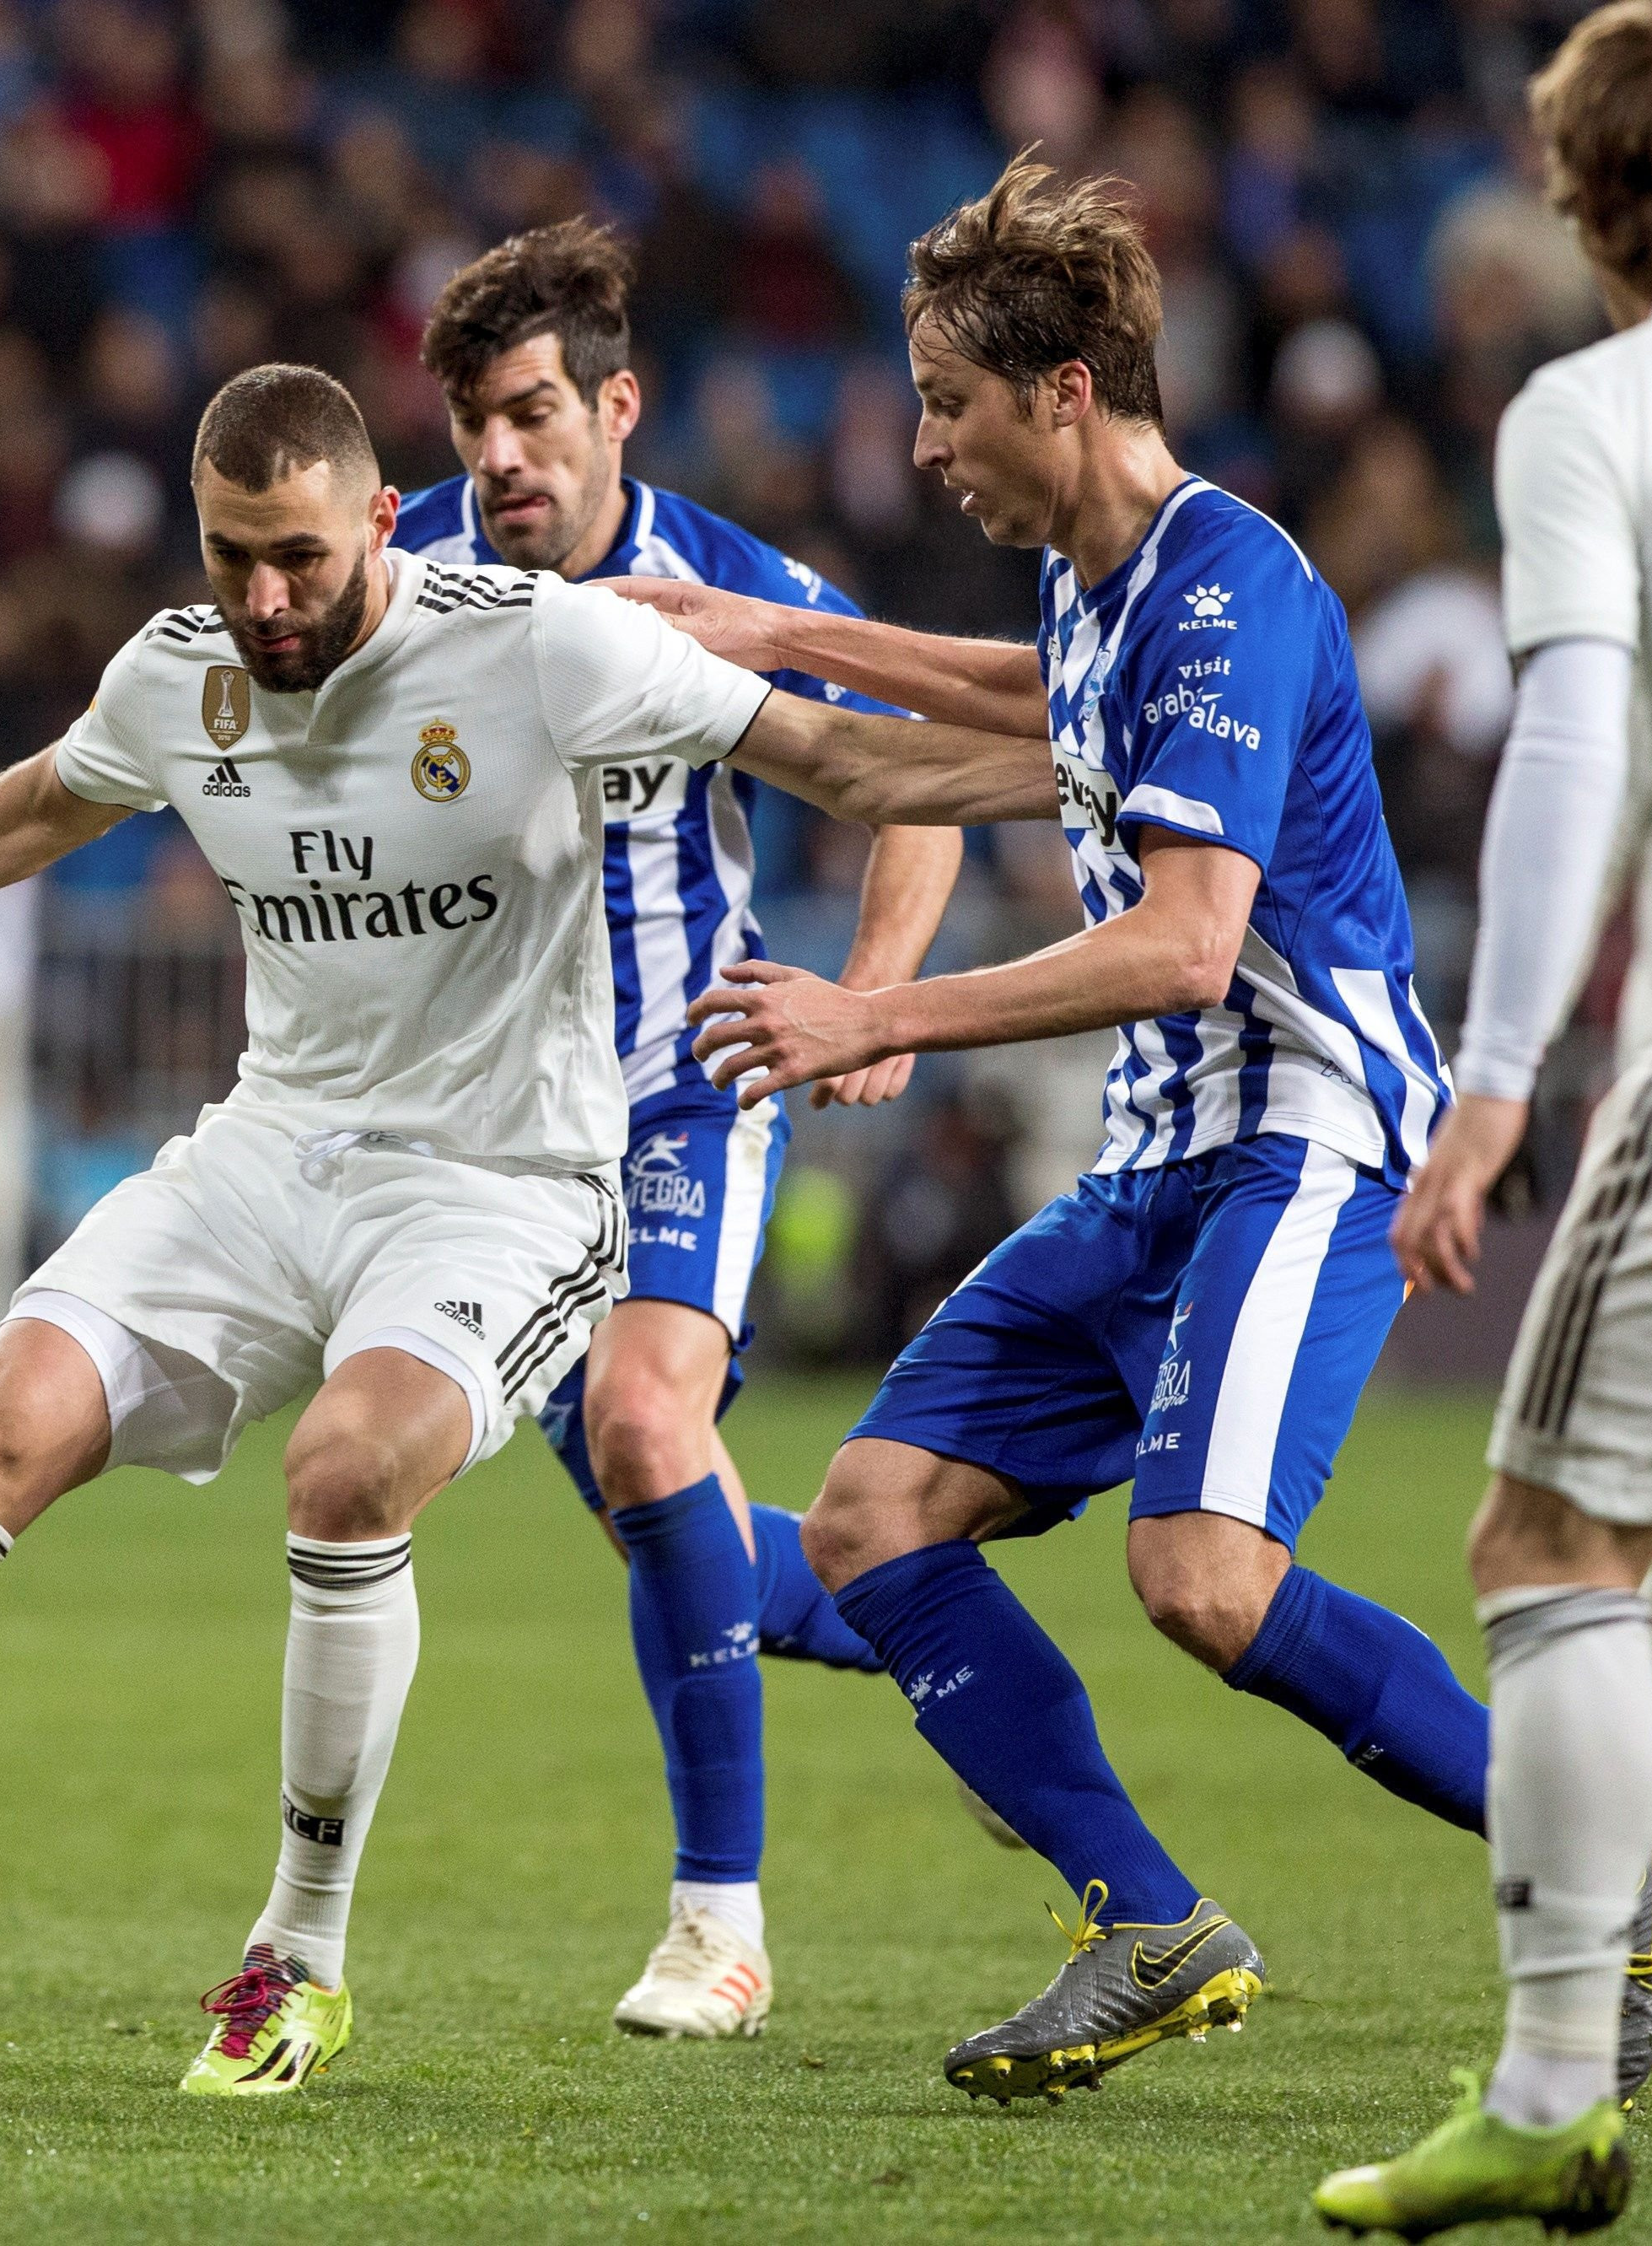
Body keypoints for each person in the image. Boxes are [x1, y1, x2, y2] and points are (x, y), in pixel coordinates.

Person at [0, 361, 1055, 2097]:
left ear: (374, 521)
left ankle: (298, 1961)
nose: (263, 603)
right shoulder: (181, 667)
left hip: (504, 1188)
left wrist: (1109, 759)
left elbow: (852, 764)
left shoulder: (537, 642)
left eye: (295, 558)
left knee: (348, 1474)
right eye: (228, 558)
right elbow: (39, 804)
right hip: (267, 1156)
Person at [625, 154, 1652, 2108]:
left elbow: (1194, 944)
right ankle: (1146, 1918)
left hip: (1303, 1136)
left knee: (1201, 1580)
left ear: (1064, 394)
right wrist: (776, 643)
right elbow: (1013, 703)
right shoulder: (1094, 586)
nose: (927, 440)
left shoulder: (1233, 584)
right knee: (875, 1521)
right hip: (1158, 1164)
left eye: (950, 401)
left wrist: (876, 1011)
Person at [397, 217, 962, 2038]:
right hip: (480, 1129)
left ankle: (718, 1931)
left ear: (618, 406)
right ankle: (987, 1675)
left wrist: (872, 995)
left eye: (538, 415)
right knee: (698, 1528)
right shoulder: (398, 565)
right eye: (478, 421)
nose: (503, 458)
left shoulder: (735, 585)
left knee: (651, 1427)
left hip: (675, 1084)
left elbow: (919, 787)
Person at [1316, 7, 1652, 2231]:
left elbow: (1565, 745)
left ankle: (1554, 2083)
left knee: (1544, 1547)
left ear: (1574, 200)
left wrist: (1486, 1092)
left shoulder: (1596, 408)